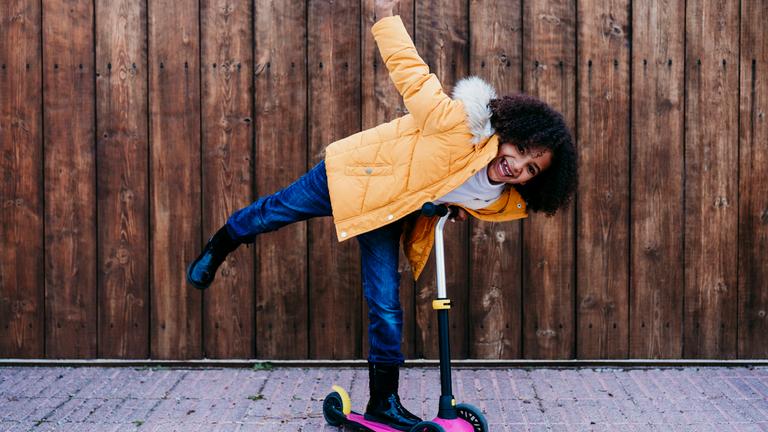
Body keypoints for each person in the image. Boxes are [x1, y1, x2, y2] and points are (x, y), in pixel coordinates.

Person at [187, 0, 577, 429]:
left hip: (387, 215)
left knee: (386, 308)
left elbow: (453, 191)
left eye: (531, 169)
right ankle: (220, 244)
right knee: (272, 213)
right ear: (509, 133)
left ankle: (383, 401)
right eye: (519, 151)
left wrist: (450, 207)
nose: (518, 166)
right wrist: (385, 16)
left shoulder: (502, 197)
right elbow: (412, 73)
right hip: (349, 176)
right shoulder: (456, 123)